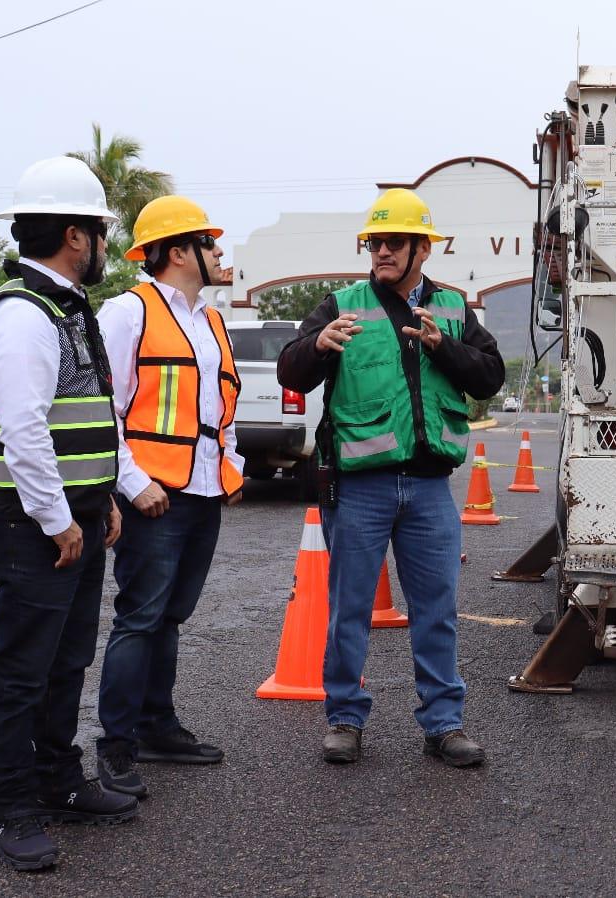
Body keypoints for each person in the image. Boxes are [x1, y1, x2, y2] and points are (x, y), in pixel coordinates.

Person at [277, 188, 504, 767]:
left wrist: (443, 346)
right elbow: (292, 371)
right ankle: (346, 717)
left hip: (429, 486)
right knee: (349, 607)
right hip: (362, 486)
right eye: (375, 242)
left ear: (422, 249)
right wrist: (316, 347)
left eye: (394, 242)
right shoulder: (341, 304)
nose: (381, 251)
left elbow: (489, 378)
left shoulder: (452, 307)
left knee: (437, 608)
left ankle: (444, 723)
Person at [0, 156, 138, 872]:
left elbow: (96, 413)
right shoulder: (21, 315)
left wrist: (107, 496)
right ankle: (12, 808)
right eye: (101, 230)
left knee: (67, 659)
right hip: (33, 523)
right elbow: (23, 430)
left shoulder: (69, 307)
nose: (105, 244)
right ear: (76, 236)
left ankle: (57, 780)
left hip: (76, 515)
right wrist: (57, 519)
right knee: (22, 669)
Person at [94, 196, 241, 797]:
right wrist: (132, 483)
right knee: (140, 617)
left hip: (202, 490)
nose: (219, 252)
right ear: (179, 251)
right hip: (152, 492)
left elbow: (216, 406)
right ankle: (117, 744)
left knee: (171, 616)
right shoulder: (128, 312)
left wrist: (230, 467)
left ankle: (157, 726)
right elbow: (106, 411)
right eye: (209, 243)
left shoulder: (209, 319)